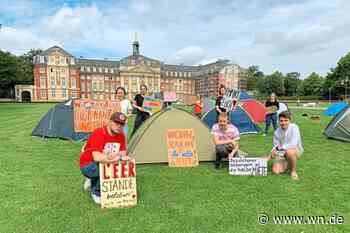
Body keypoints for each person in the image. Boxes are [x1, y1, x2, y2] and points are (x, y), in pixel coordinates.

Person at [79, 112, 127, 204]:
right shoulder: (99, 133)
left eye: (121, 124)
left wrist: (111, 156)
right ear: (109, 122)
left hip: (103, 161)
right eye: (116, 123)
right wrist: (115, 158)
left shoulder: (121, 135)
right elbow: (97, 157)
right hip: (87, 164)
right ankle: (96, 192)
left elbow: (123, 153)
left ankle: (93, 179)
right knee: (108, 167)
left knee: (118, 165)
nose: (119, 126)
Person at [263, 111, 303, 180]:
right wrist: (271, 153)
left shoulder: (295, 127)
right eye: (281, 121)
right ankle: (287, 164)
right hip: (282, 153)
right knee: (276, 171)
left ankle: (293, 171)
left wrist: (278, 149)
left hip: (296, 150)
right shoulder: (277, 132)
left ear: (290, 120)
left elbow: (293, 144)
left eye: (286, 120)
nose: (283, 123)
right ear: (278, 121)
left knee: (289, 152)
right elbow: (275, 146)